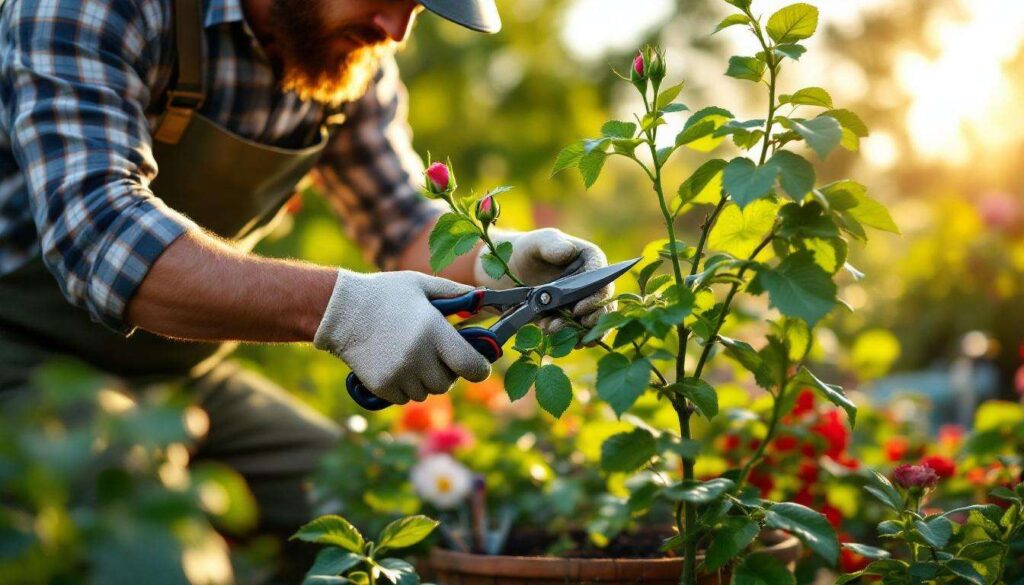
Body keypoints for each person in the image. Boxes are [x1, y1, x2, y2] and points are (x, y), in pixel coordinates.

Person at [0, 0, 612, 570]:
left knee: (399, 530)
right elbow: (100, 238)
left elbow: (398, 220)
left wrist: (503, 262)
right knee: (156, 554)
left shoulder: (348, 54)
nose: (394, 30)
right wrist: (343, 309)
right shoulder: (101, 9)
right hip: (23, 359)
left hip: (181, 377)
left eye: (417, 10)